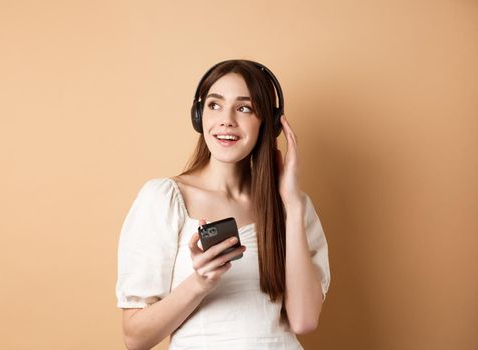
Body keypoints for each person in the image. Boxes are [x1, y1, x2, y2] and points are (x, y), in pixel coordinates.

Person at [116, 59, 331, 350]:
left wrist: (291, 205)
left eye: (244, 108)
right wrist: (200, 283)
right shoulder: (163, 199)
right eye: (214, 105)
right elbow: (136, 338)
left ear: (267, 122)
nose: (226, 119)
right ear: (198, 115)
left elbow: (304, 321)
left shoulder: (293, 207)